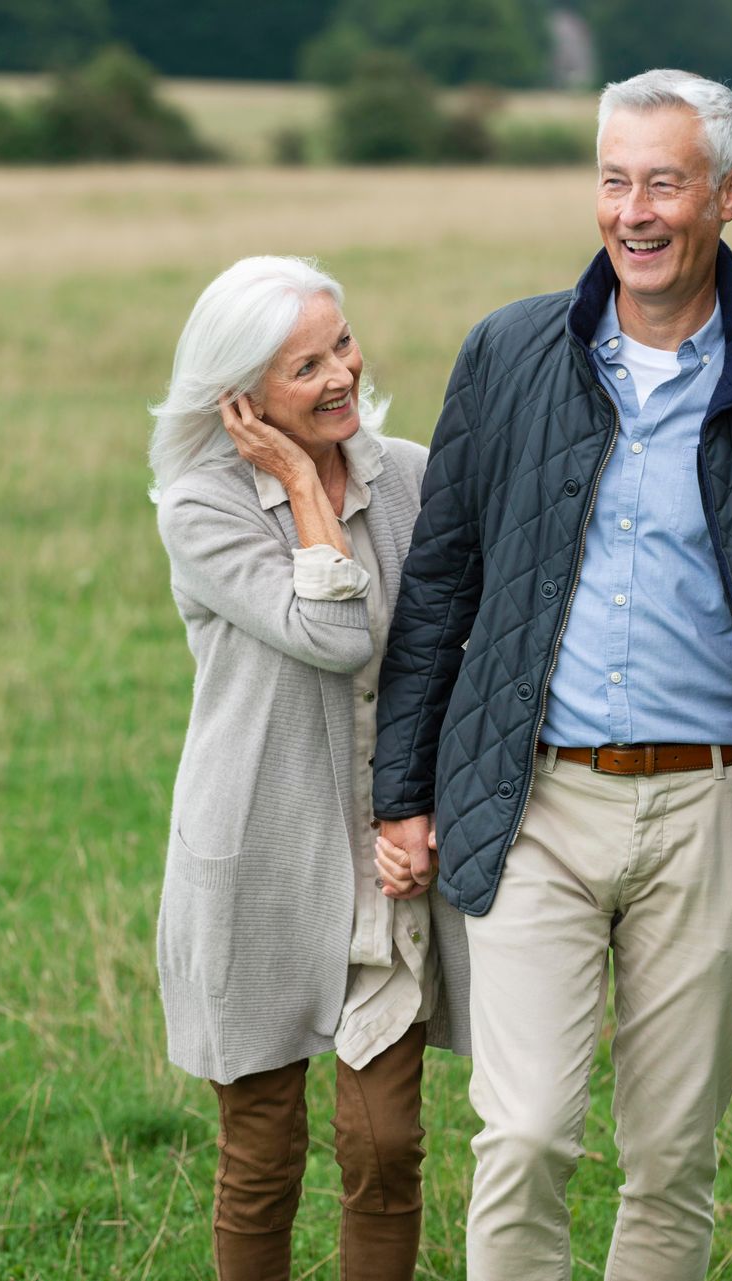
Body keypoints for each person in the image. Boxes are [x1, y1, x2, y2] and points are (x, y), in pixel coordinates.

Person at [371, 69, 732, 1280]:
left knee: (669, 1161)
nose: (635, 211)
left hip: (717, 813)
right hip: (537, 802)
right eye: (614, 179)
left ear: (731, 195)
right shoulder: (507, 355)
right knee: (524, 1133)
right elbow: (440, 590)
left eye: (666, 180)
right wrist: (403, 793)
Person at [149, 255, 472, 1281]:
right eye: (306, 366)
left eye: (342, 343)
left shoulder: (413, 477)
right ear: (240, 398)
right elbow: (329, 634)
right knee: (262, 1157)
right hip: (257, 857)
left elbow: (459, 649)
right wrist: (295, 481)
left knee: (385, 1151)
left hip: (387, 860)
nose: (341, 373)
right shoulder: (202, 507)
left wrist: (429, 812)